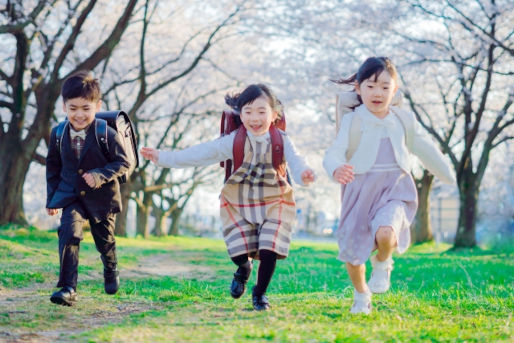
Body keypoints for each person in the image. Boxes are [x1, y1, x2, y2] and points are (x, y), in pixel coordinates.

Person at [140, 84, 315, 311]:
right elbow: (200, 154)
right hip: (239, 199)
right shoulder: (234, 141)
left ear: (274, 114)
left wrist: (304, 174)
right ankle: (243, 268)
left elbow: (297, 160)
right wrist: (163, 157)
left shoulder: (281, 139)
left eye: (262, 111)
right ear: (240, 114)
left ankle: (259, 294)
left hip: (274, 199)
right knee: (238, 251)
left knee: (269, 249)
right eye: (248, 111)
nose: (254, 118)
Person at [323, 57, 455, 314]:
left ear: (394, 91)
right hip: (359, 192)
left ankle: (383, 262)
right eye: (371, 86)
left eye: (385, 87)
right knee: (353, 255)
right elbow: (334, 152)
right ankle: (362, 295)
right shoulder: (353, 121)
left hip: (394, 189)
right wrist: (336, 167)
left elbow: (423, 147)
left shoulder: (402, 119)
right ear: (359, 89)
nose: (378, 93)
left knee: (386, 233)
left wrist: (447, 174)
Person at [46, 70, 130, 306]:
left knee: (104, 240)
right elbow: (53, 167)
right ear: (64, 107)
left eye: (86, 108)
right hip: (71, 195)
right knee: (69, 233)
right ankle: (68, 287)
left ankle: (110, 267)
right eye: (73, 108)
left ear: (97, 105)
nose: (79, 114)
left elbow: (124, 163)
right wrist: (52, 199)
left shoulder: (106, 133)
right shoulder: (58, 134)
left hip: (102, 198)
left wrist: (101, 175)